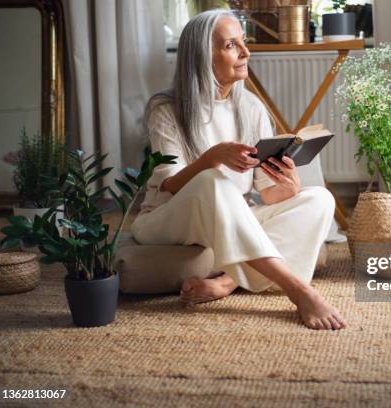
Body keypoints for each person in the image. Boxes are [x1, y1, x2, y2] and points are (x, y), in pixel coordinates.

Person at [130, 9, 346, 330]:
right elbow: (168, 185)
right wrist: (213, 157)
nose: (246, 52)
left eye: (243, 42)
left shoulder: (251, 108)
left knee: (320, 199)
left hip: (231, 218)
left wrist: (288, 188)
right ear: (203, 56)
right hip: (167, 219)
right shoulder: (166, 110)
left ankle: (228, 281)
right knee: (213, 181)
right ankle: (298, 289)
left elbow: (267, 194)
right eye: (231, 45)